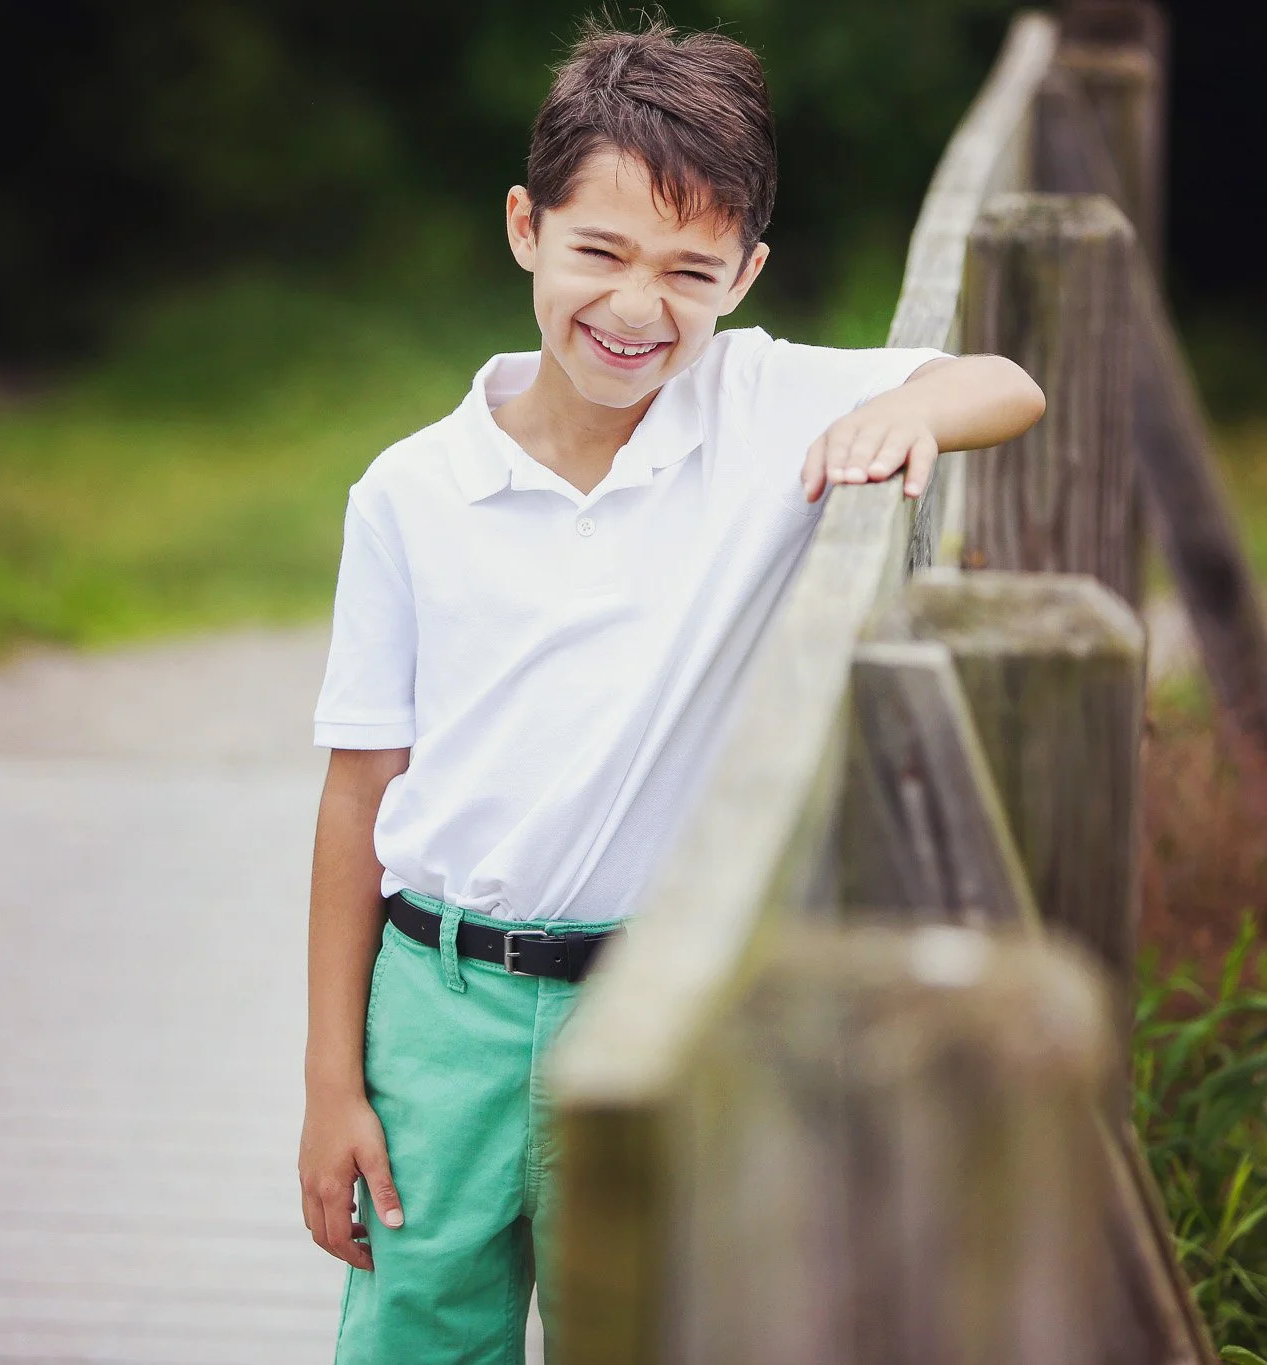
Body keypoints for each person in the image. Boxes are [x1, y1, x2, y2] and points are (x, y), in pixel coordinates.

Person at [299, 20, 1045, 1364]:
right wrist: (328, 1083)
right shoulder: (410, 493)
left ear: (746, 275)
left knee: (646, 1325)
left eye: (690, 272)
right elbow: (360, 790)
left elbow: (1010, 381)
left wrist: (914, 416)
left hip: (655, 1000)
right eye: (600, 252)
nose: (637, 308)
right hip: (436, 998)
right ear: (526, 228)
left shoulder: (754, 406)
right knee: (416, 1334)